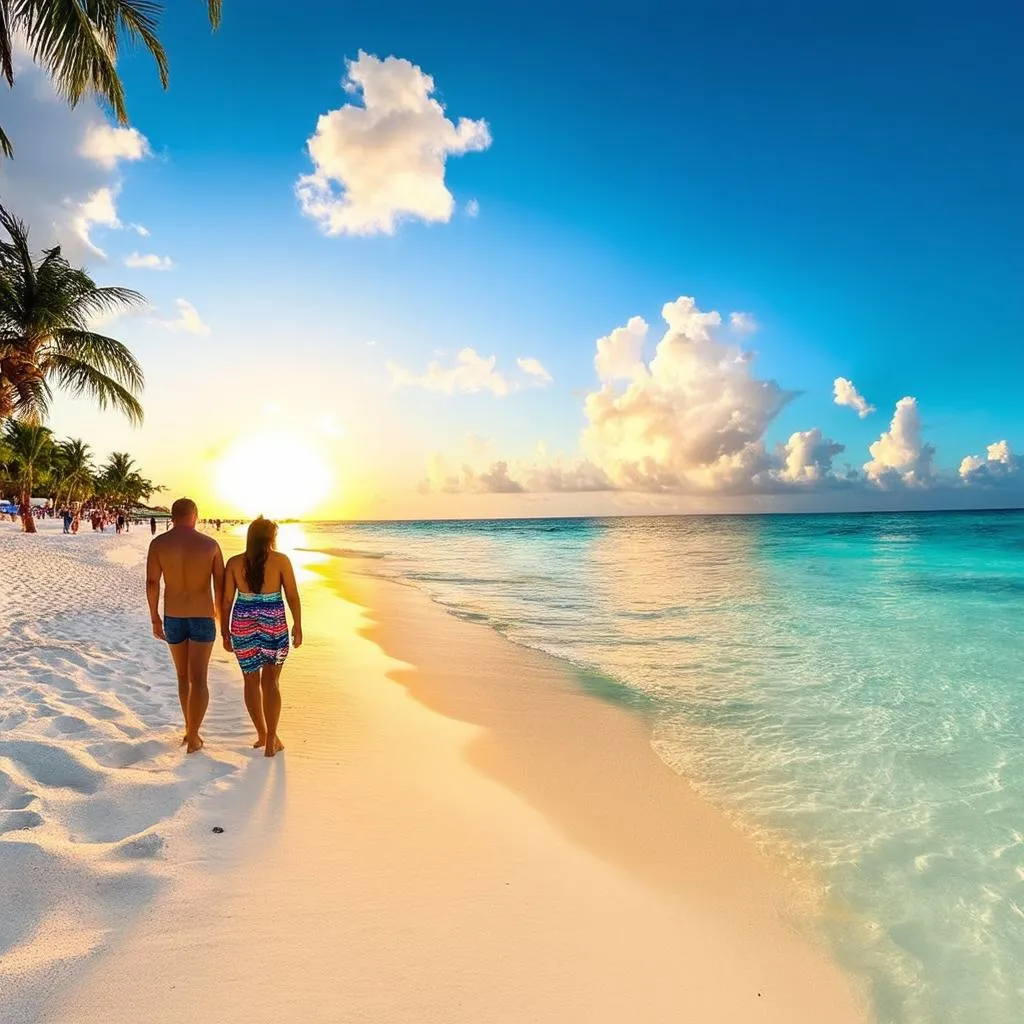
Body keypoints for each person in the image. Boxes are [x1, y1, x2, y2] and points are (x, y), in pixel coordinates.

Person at [146, 497, 225, 753]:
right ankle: (193, 736)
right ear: (195, 515)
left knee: (183, 676)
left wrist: (154, 617)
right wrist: (224, 625)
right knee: (199, 678)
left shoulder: (158, 544)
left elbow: (152, 583)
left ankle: (189, 729)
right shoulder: (210, 545)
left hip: (174, 616)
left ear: (172, 516)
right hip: (202, 616)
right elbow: (220, 589)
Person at [222, 517, 302, 757]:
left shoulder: (235, 563)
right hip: (273, 622)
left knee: (250, 682)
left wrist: (226, 630)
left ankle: (262, 733)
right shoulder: (281, 561)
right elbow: (293, 596)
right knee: (271, 683)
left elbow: (226, 600)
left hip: (243, 622)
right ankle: (271, 740)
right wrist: (298, 624)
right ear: (271, 538)